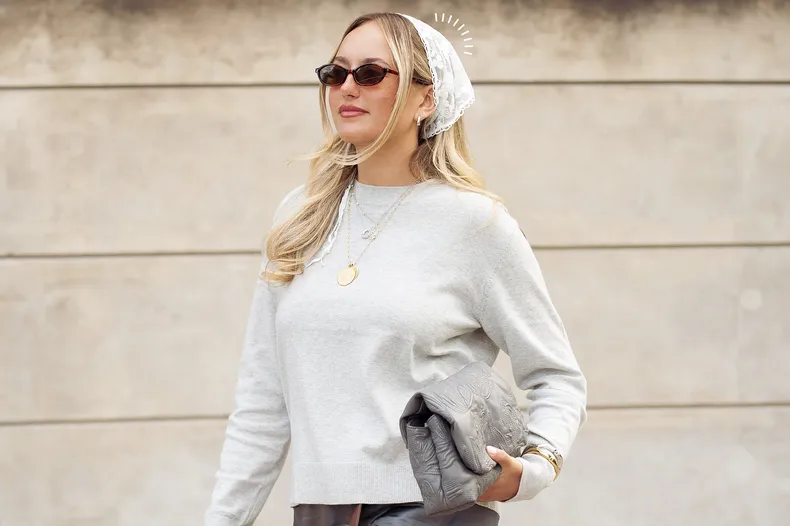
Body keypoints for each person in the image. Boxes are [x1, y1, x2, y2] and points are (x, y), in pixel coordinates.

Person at [205, 11, 587, 526]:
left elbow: (556, 375)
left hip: (432, 511)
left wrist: (535, 466)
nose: (347, 87)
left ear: (425, 99)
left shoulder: (475, 224)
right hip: (318, 511)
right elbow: (262, 402)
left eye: (370, 74)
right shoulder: (300, 218)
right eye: (335, 73)